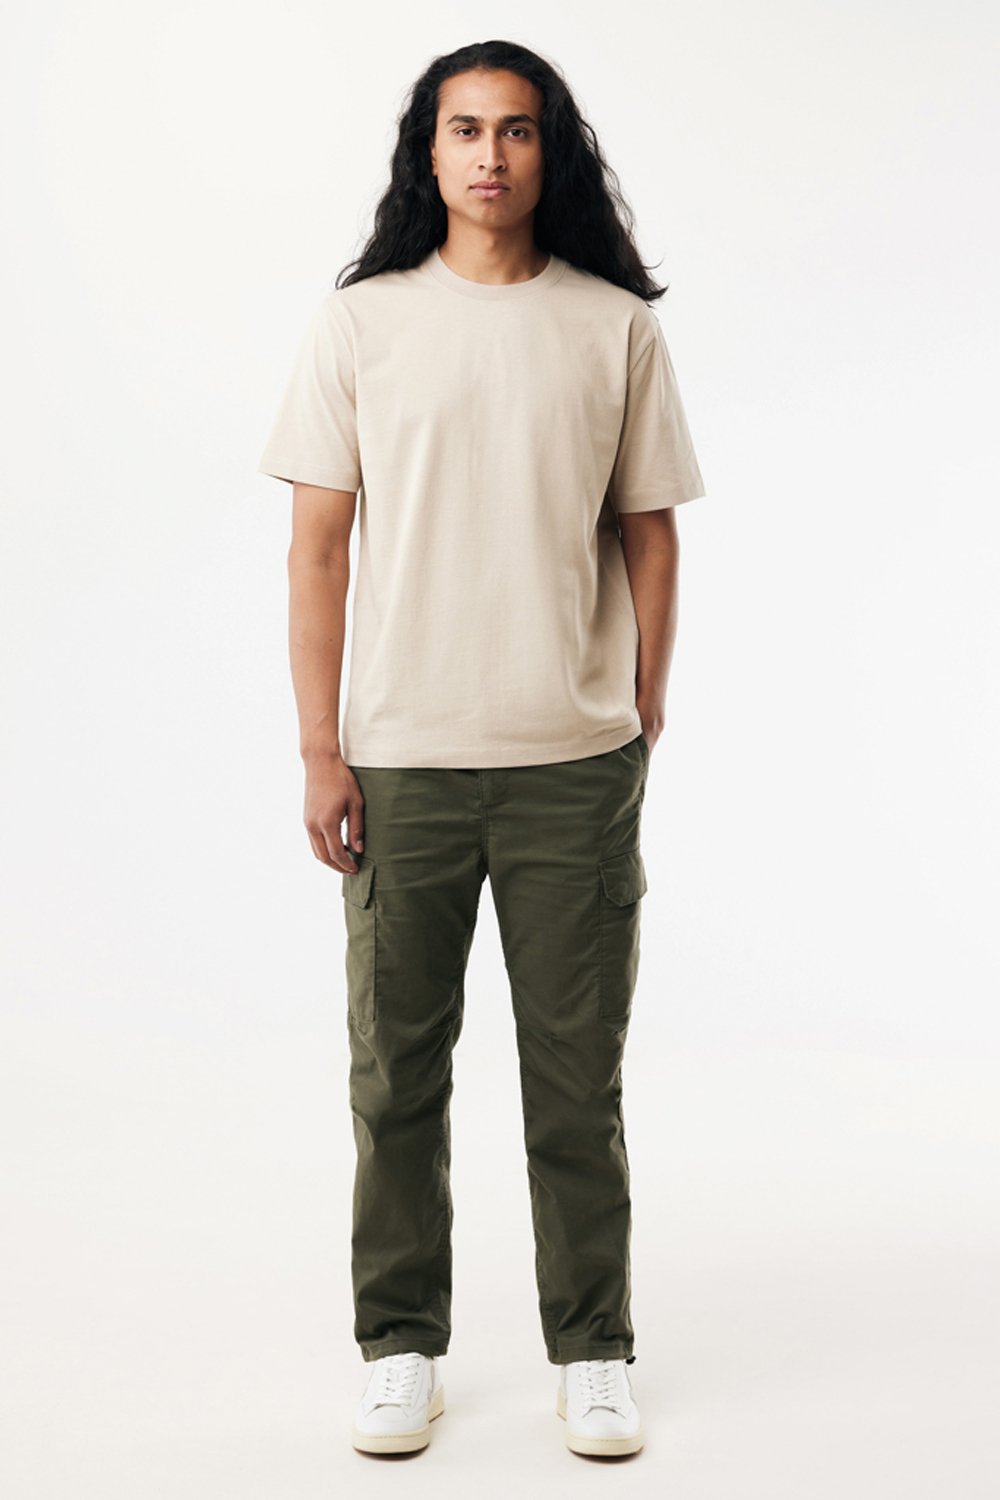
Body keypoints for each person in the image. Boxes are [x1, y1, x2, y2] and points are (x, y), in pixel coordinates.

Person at [257, 38, 706, 1460]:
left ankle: (595, 1350)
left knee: (578, 1077)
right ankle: (401, 1347)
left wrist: (641, 704)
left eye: (516, 130)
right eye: (465, 129)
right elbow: (316, 551)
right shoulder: (363, 325)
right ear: (429, 151)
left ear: (547, 150)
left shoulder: (612, 327)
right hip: (402, 759)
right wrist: (321, 749)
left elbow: (650, 534)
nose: (491, 156)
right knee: (396, 1074)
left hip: (574, 763)